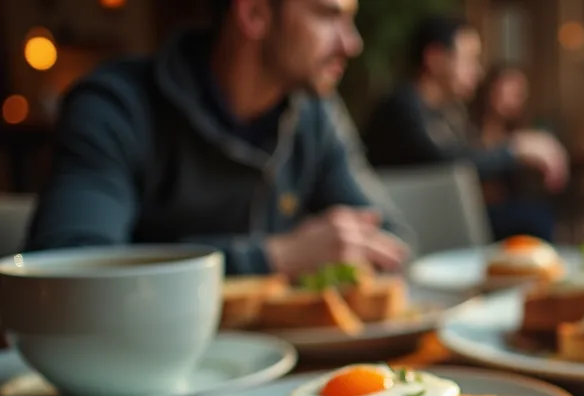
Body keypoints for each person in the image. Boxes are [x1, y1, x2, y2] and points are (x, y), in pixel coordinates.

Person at [25, 0, 409, 277]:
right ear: (254, 13)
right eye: (329, 15)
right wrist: (274, 258)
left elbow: (392, 244)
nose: (351, 43)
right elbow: (67, 270)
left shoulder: (314, 115)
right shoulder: (116, 107)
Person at [363, 16, 566, 241]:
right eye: (469, 60)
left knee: (533, 213)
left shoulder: (446, 112)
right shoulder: (401, 108)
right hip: (410, 227)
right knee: (533, 219)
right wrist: (516, 148)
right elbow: (449, 163)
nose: (478, 72)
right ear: (435, 58)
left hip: (440, 217)